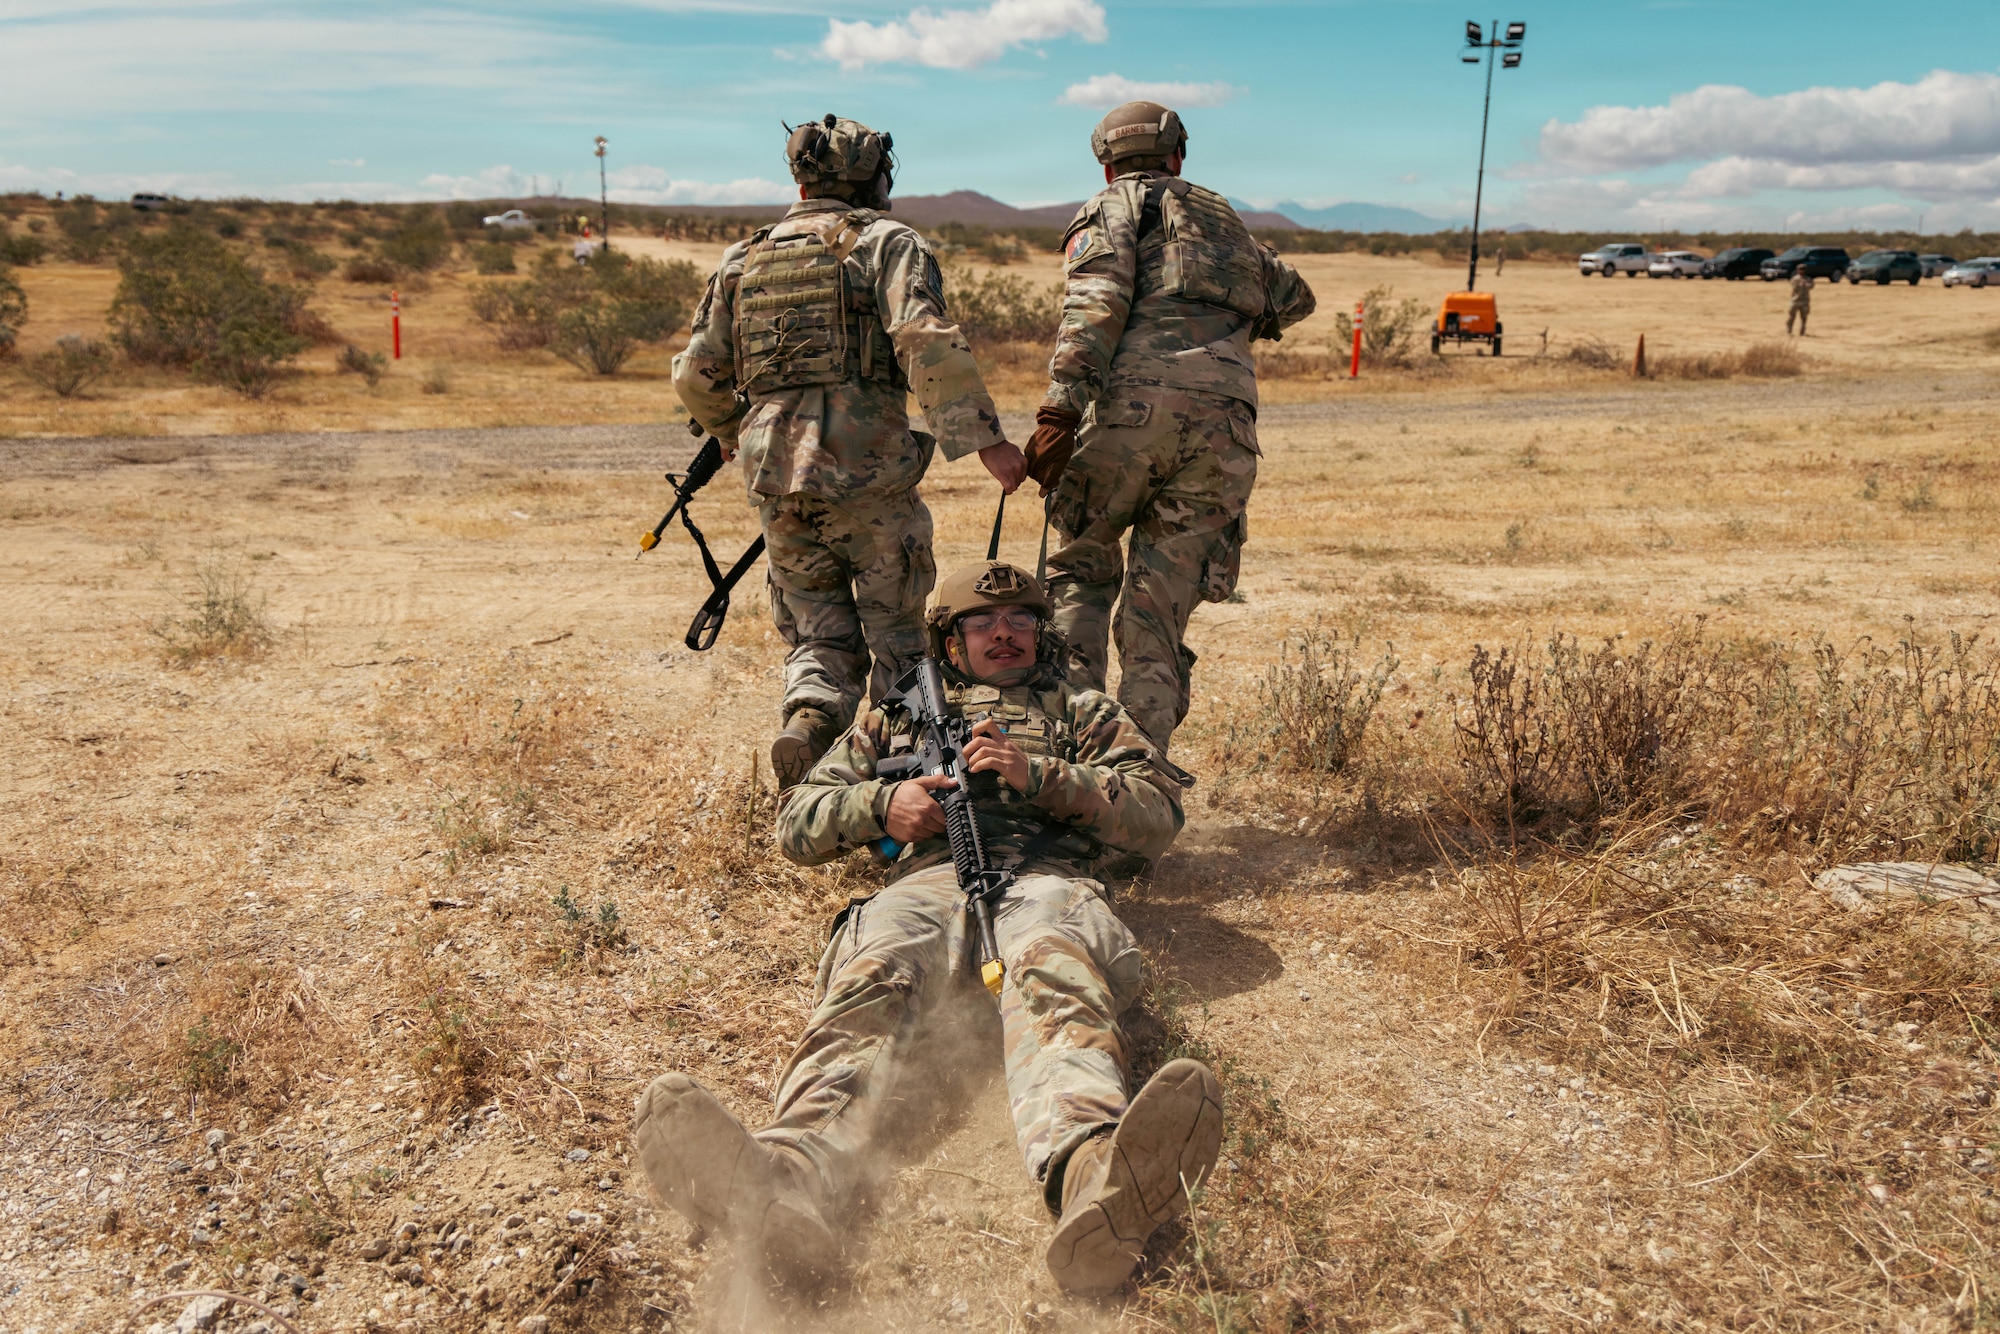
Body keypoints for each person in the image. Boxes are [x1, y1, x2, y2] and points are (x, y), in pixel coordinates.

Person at [632, 560, 1220, 1297]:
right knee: (874, 974)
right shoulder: (894, 715)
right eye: (982, 623)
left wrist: (1041, 776)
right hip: (925, 885)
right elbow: (796, 823)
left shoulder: (1081, 707)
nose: (1004, 634)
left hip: (1043, 884)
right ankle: (781, 1183)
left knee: (1052, 963)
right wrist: (882, 807)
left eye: (1022, 622)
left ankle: (1093, 1180)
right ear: (950, 641)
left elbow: (1159, 815)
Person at [673, 116, 1027, 789]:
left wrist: (730, 433)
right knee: (897, 635)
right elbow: (923, 341)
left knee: (818, 635)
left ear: (798, 177)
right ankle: (903, 788)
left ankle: (808, 727)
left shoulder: (744, 257)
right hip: (867, 479)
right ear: (873, 175)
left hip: (776, 478)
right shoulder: (887, 243)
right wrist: (987, 442)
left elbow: (694, 373)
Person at [1023, 101, 1317, 757]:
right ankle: (1139, 773)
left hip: (1130, 415)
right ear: (1178, 155)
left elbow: (1094, 308)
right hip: (1226, 432)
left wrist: (1058, 413)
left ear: (1105, 163)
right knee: (1156, 611)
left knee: (1080, 577)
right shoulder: (1224, 221)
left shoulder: (1112, 206)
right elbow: (1295, 296)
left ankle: (1070, 759)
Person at [1787, 265, 1813, 335]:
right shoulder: (1795, 279)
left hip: (1804, 301)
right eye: (1800, 269)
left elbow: (1811, 286)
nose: (1802, 271)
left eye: (1803, 269)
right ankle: (1789, 330)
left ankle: (1802, 332)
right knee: (1791, 317)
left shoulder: (1808, 279)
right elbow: (1794, 285)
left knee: (1804, 318)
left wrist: (1806, 284)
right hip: (1795, 300)